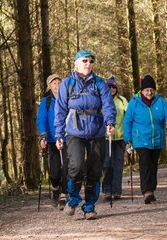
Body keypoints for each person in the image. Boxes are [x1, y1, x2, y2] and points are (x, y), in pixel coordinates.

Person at [54, 50, 116, 220]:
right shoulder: (67, 84)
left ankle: (89, 206)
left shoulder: (99, 83)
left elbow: (108, 105)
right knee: (76, 166)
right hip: (74, 132)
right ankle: (73, 199)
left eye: (90, 61)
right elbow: (59, 110)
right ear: (76, 63)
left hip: (96, 131)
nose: (88, 64)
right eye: (85, 61)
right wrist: (58, 134)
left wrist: (110, 123)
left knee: (95, 170)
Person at [123, 74, 167, 204]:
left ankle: (151, 189)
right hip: (140, 140)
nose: (149, 92)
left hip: (157, 139)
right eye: (146, 90)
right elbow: (127, 122)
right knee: (145, 163)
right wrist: (128, 140)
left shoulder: (160, 101)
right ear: (141, 91)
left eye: (152, 90)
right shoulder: (134, 103)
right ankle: (146, 191)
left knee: (153, 166)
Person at [36, 74, 68, 210]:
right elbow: (41, 119)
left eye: (59, 82)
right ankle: (55, 189)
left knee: (67, 167)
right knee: (55, 172)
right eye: (54, 83)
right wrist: (42, 135)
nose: (57, 85)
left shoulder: (68, 99)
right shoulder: (46, 102)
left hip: (68, 138)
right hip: (52, 139)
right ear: (49, 86)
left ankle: (64, 194)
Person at [102, 76, 128, 200]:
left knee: (118, 166)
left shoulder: (122, 100)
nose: (111, 89)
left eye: (113, 87)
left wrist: (128, 136)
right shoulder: (102, 100)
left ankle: (117, 191)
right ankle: (107, 190)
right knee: (107, 164)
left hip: (120, 138)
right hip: (106, 138)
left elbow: (128, 117)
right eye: (109, 87)